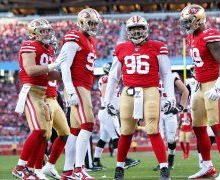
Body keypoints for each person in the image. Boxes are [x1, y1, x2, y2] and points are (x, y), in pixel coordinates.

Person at [104, 15, 174, 180]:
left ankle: (164, 168)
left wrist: (171, 97)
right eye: (133, 29)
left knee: (152, 128)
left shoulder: (158, 46)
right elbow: (114, 76)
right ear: (128, 31)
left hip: (150, 89)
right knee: (126, 131)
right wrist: (107, 99)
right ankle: (119, 168)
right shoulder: (121, 48)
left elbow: (166, 74)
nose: (136, 31)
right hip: (128, 90)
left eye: (139, 28)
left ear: (145, 29)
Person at [179, 4, 220, 179]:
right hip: (200, 85)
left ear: (198, 20)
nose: (186, 25)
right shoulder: (192, 37)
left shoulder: (209, 35)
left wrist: (219, 85)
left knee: (217, 126)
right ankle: (207, 166)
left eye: (188, 21)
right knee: (198, 127)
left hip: (213, 85)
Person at [12, 18, 65, 179]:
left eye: (48, 30)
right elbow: (31, 70)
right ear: (34, 33)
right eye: (43, 30)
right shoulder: (29, 45)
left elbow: (50, 75)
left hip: (42, 93)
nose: (47, 33)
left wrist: (70, 73)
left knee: (43, 134)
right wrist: (53, 65)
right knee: (38, 131)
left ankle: (29, 169)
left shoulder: (47, 49)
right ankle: (20, 168)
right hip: (31, 91)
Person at [59, 8, 102, 180]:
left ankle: (68, 171)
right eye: (90, 23)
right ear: (82, 22)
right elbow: (64, 66)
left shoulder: (90, 40)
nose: (93, 26)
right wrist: (70, 89)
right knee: (88, 124)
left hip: (83, 86)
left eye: (95, 23)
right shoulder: (74, 38)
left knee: (75, 130)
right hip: (77, 86)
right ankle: (79, 169)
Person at [92, 62, 140, 171]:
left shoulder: (112, 79)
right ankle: (124, 161)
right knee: (117, 136)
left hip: (107, 111)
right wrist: (108, 104)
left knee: (103, 138)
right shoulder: (106, 78)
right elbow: (105, 92)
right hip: (108, 111)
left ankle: (96, 161)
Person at [154, 72, 189, 171]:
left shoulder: (172, 76)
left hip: (170, 112)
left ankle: (170, 161)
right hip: (157, 112)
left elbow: (185, 91)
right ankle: (162, 163)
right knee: (158, 138)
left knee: (170, 140)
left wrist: (180, 107)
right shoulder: (151, 76)